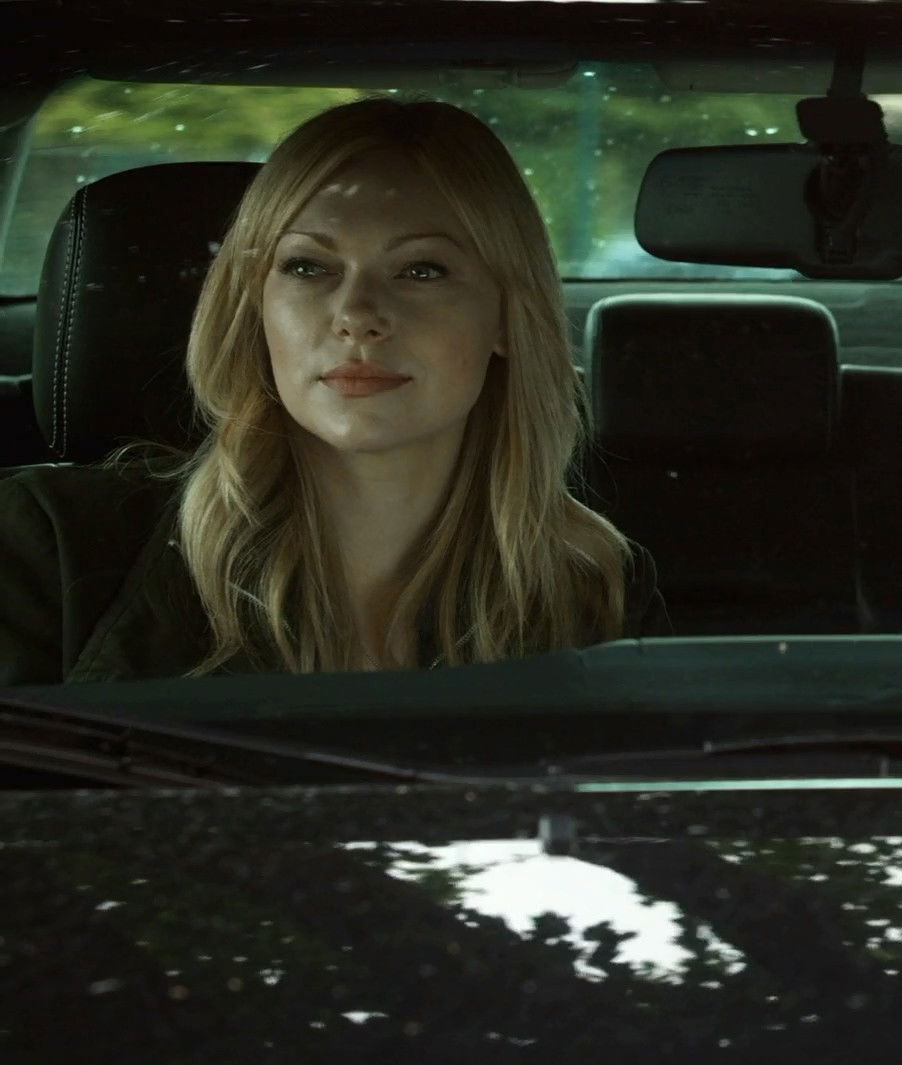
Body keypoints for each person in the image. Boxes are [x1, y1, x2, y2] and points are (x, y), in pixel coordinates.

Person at [0, 98, 667, 685]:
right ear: (255, 307)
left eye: (421, 270)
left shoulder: (589, 590)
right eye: (307, 267)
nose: (356, 314)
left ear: (505, 317)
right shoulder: (50, 548)